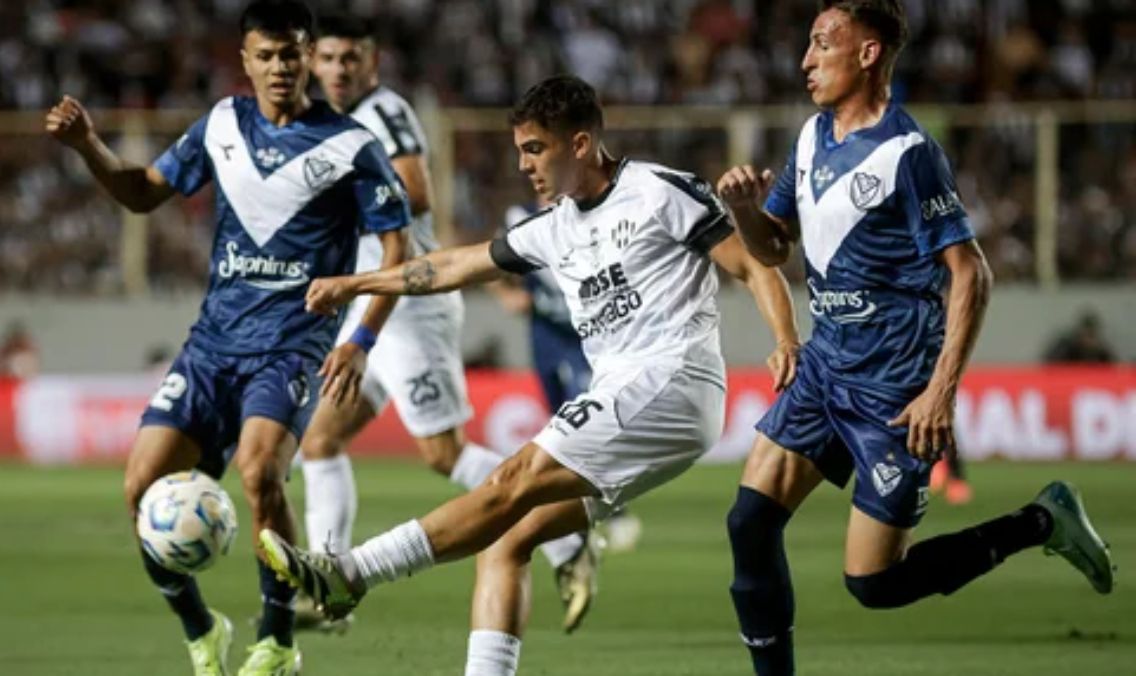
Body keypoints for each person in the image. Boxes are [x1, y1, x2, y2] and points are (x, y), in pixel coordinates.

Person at [258, 75, 801, 676]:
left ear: (580, 144)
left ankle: (349, 574)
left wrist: (784, 339)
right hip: (626, 392)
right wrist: (360, 284)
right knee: (506, 537)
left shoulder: (658, 192)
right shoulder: (556, 225)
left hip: (669, 381)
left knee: (511, 478)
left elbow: (753, 266)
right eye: (520, 150)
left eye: (535, 148)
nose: (523, 165)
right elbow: (454, 266)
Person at [715, 2, 1115, 674]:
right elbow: (772, 245)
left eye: (821, 45)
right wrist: (745, 210)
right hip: (824, 369)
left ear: (868, 54)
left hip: (893, 392)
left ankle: (1042, 521)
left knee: (875, 584)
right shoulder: (813, 137)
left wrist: (940, 391)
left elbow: (972, 274)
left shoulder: (910, 153)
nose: (806, 60)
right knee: (748, 523)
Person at [46, 1, 412, 674]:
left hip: (292, 345)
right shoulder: (221, 124)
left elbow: (398, 251)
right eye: (265, 55)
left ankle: (276, 641)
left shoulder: (352, 146)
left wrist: (358, 340)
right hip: (212, 346)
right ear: (244, 60)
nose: (280, 67)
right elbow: (142, 192)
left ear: (307, 58)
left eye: (291, 53)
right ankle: (201, 629)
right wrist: (86, 146)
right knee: (140, 489)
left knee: (259, 474)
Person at [298, 13, 600, 634]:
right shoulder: (327, 120)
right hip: (373, 302)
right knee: (319, 441)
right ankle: (325, 583)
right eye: (326, 58)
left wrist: (331, 202)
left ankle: (567, 537)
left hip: (408, 309)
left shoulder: (385, 112)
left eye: (349, 59)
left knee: (444, 454)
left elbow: (416, 195)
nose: (337, 70)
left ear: (371, 61)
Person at [495, 197, 643, 553]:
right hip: (545, 336)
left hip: (584, 339)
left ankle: (612, 510)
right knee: (559, 417)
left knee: (585, 424)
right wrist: (505, 292)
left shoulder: (590, 215)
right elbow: (492, 260)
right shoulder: (521, 216)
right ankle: (579, 511)